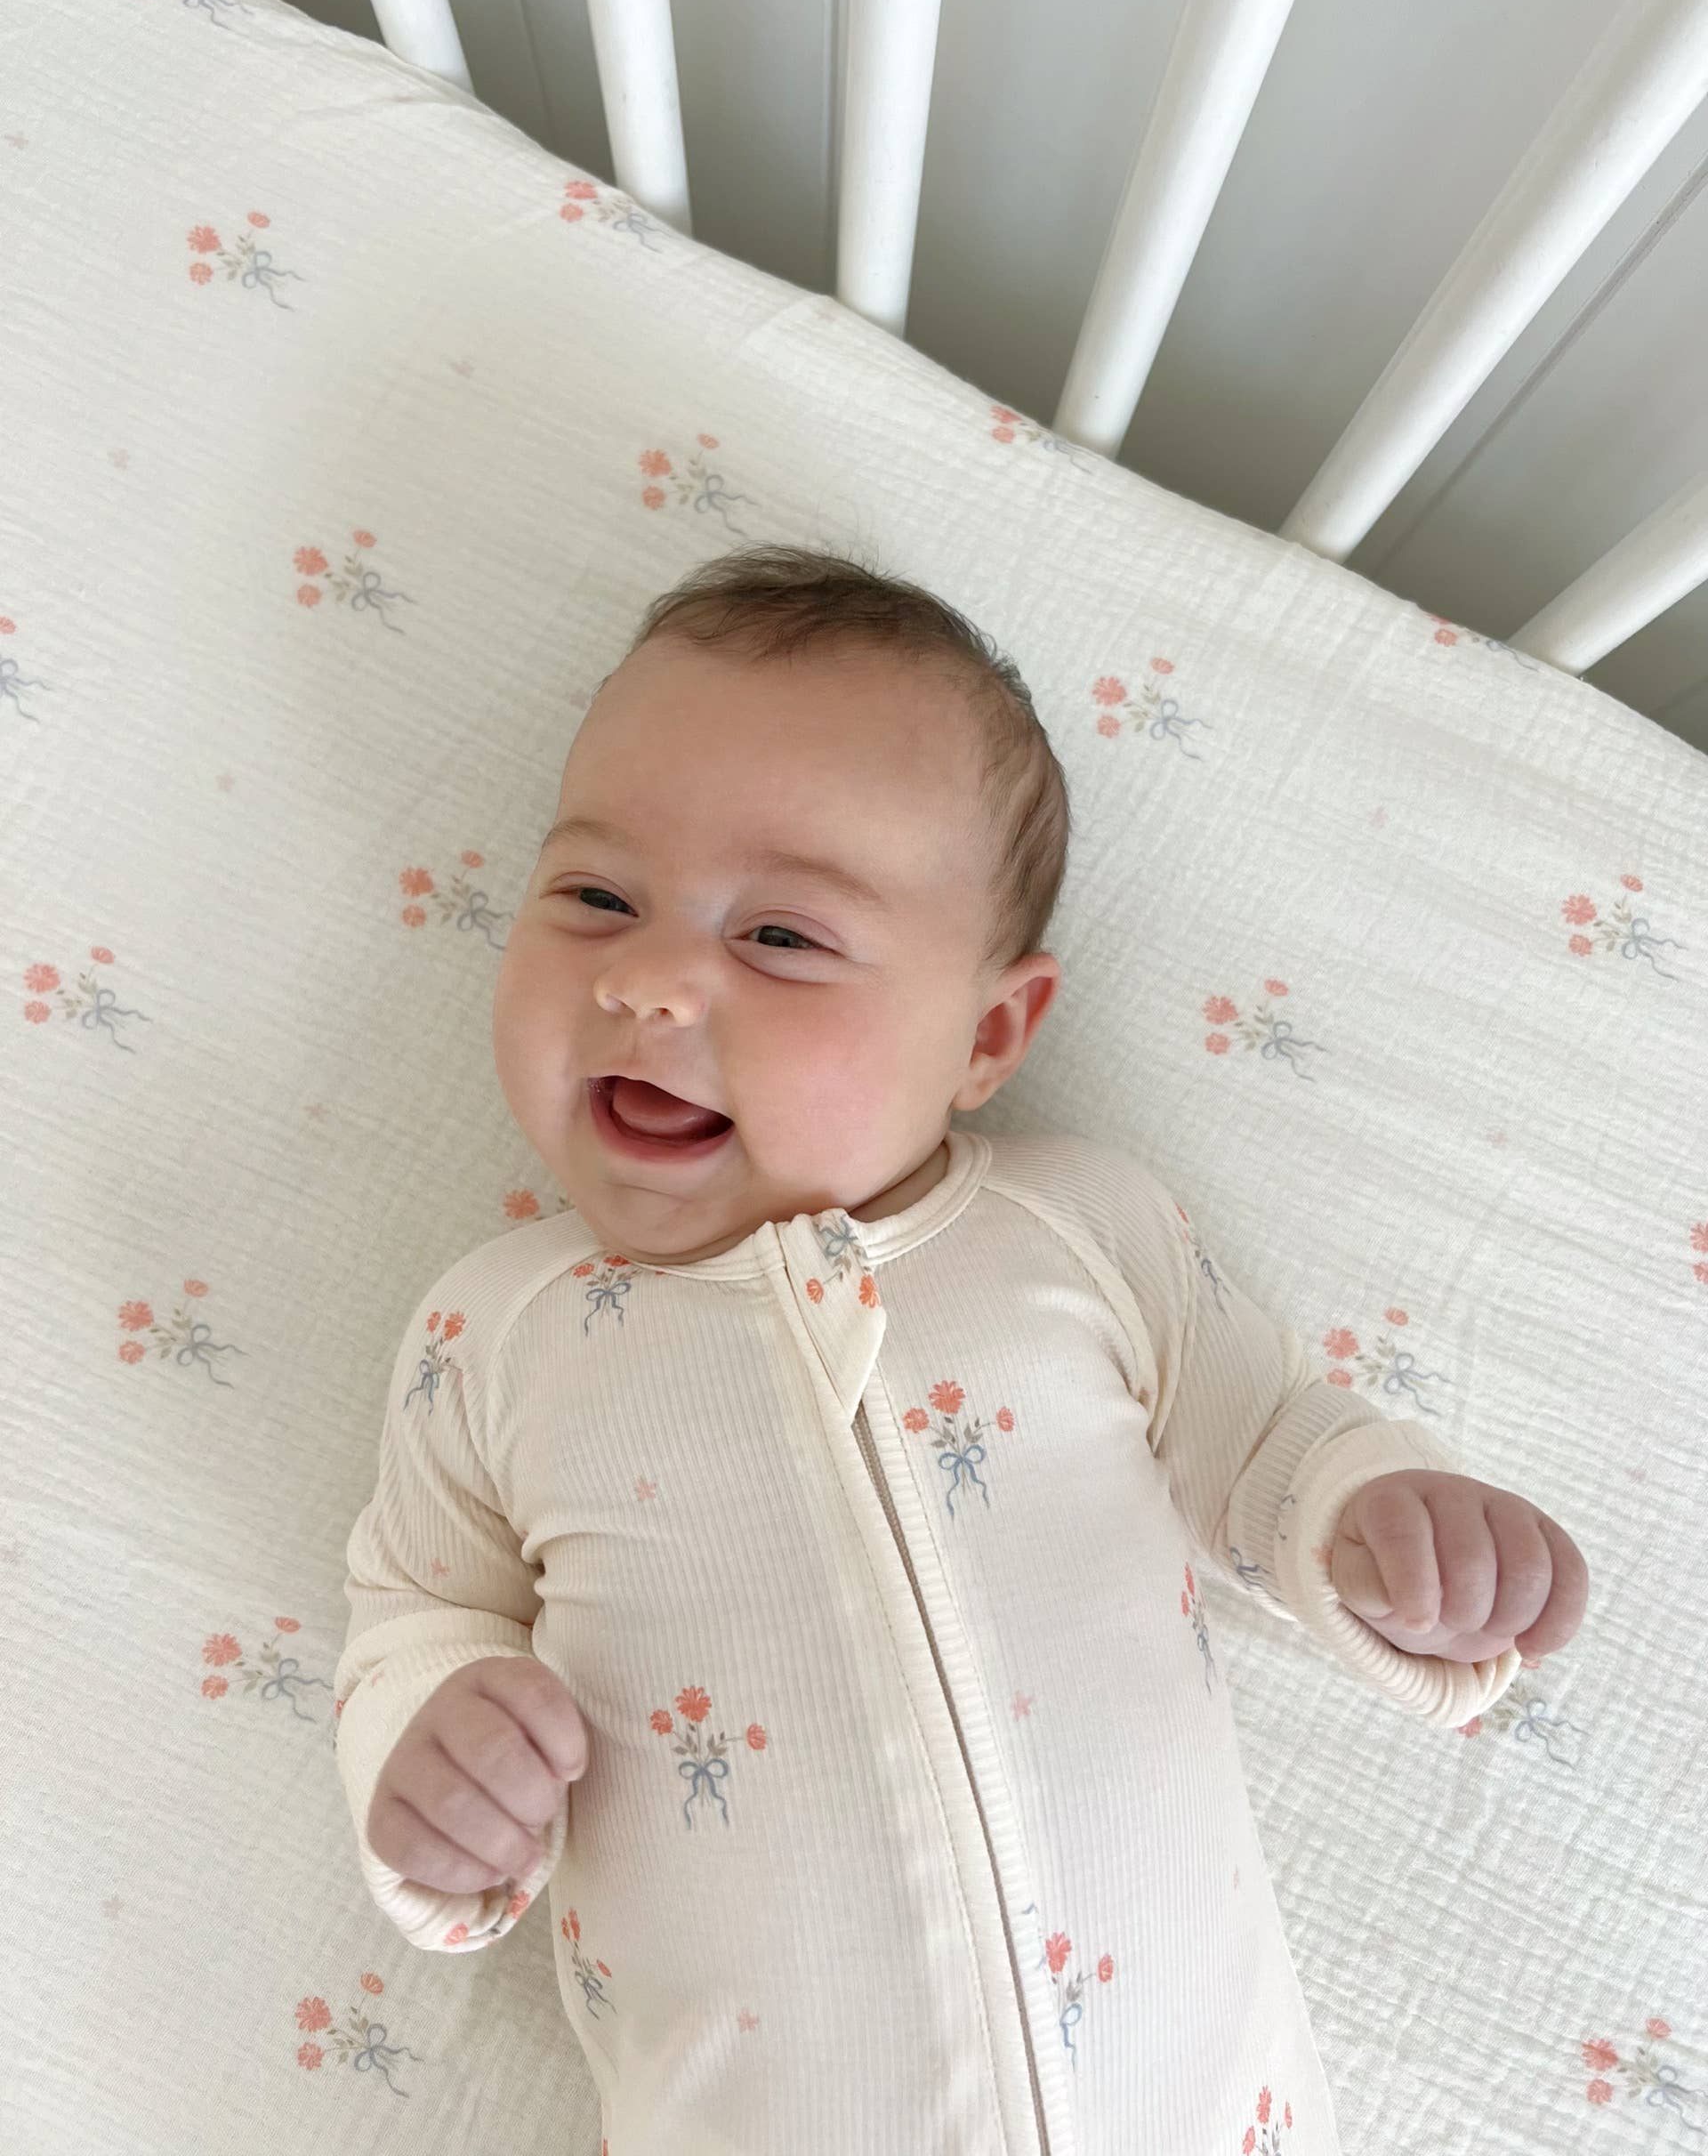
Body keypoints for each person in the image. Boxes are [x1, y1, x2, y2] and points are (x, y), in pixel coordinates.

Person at [332, 545, 1588, 2154]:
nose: (646, 981)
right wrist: (431, 1748)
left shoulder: (1080, 1232)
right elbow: (416, 1610)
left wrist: (1384, 1516)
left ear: (989, 1033)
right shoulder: (495, 1336)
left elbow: (1266, 1440)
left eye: (781, 937)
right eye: (595, 899)